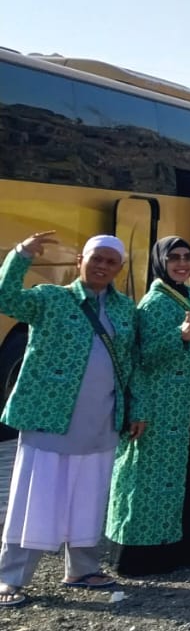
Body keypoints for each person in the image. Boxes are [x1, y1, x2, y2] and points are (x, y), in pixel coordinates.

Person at [0, 233, 138, 606]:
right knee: (35, 497)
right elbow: (5, 298)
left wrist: (136, 409)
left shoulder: (125, 309)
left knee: (89, 497)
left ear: (119, 268)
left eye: (111, 261)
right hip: (50, 418)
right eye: (96, 258)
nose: (102, 266)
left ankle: (81, 569)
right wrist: (20, 255)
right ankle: (10, 577)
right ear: (80, 260)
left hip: (101, 420)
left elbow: (132, 363)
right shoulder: (50, 298)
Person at [107, 237, 190, 577]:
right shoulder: (153, 302)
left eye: (187, 257)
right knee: (145, 479)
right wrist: (179, 336)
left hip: (184, 403)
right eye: (174, 257)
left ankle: (173, 549)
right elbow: (140, 356)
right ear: (160, 262)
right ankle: (137, 556)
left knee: (175, 480)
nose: (182, 263)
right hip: (157, 405)